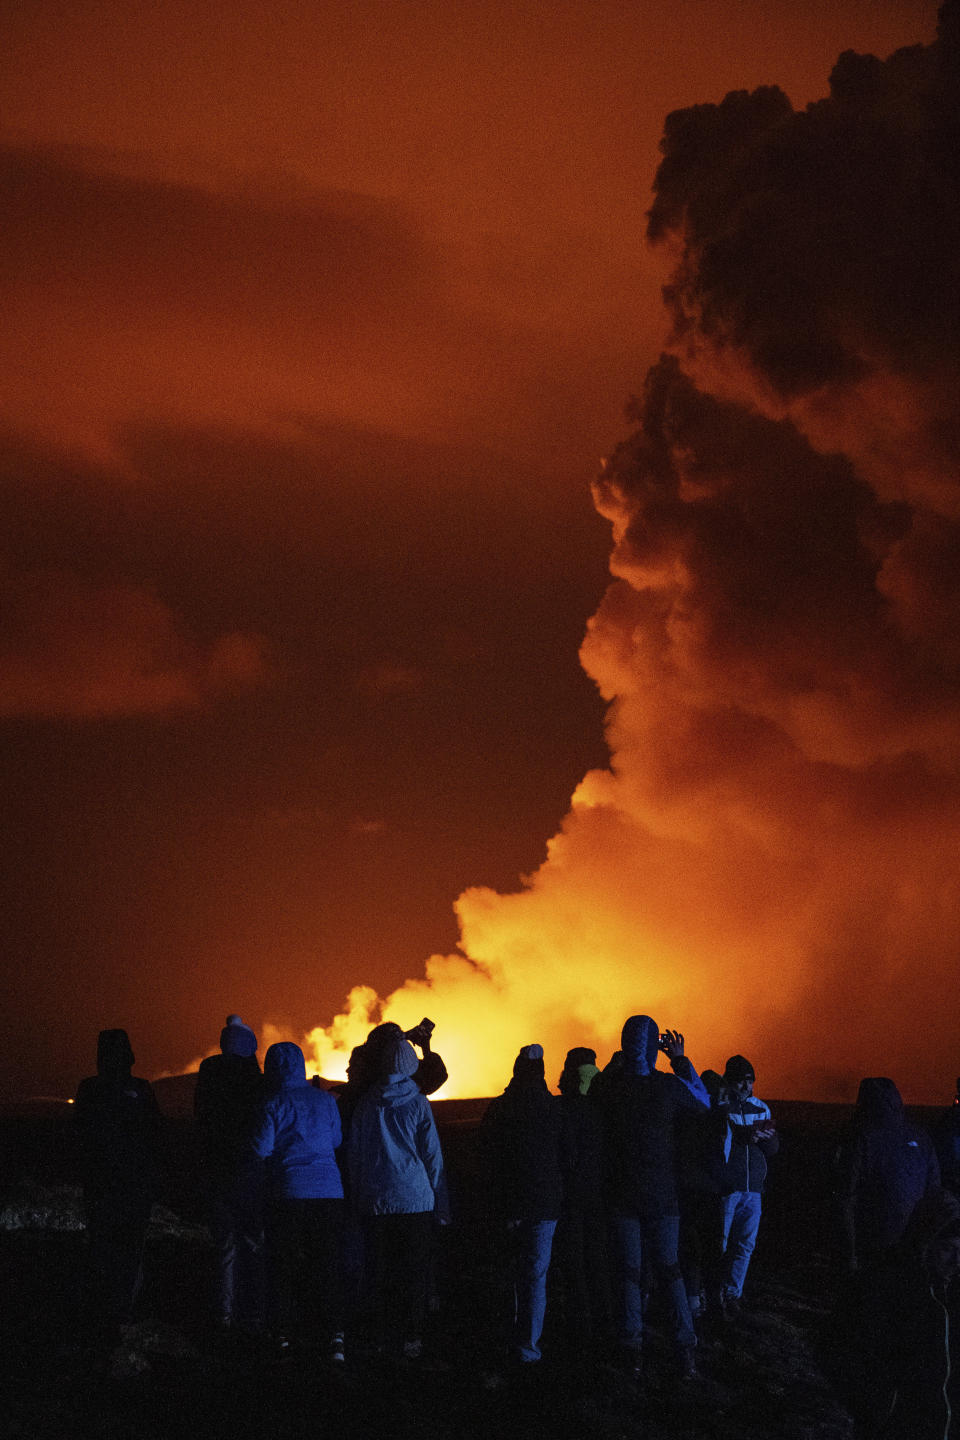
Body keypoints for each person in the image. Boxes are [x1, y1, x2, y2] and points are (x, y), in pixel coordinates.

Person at [598, 1016, 709, 1379]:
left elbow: (597, 1090)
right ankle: (685, 1350)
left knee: (629, 1273)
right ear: (652, 1048)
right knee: (670, 1270)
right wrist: (679, 1060)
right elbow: (704, 1102)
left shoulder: (609, 1087)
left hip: (622, 1196)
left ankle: (631, 1351)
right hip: (663, 1197)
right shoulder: (667, 1086)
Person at [823, 1186, 960, 1438]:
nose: (956, 1261)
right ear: (927, 1242)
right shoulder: (885, 1284)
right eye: (948, 1249)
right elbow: (836, 1349)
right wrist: (877, 1406)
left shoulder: (949, 1294)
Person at [347, 1032, 449, 1362]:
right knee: (414, 1272)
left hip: (376, 1201)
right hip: (416, 1202)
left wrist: (359, 1196)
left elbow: (356, 1155)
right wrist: (440, 1199)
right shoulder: (418, 1103)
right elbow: (432, 1155)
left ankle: (379, 1336)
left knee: (379, 1271)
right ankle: (411, 1336)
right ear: (410, 1065)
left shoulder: (366, 1104)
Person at [250, 1042, 345, 1361]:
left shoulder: (273, 1103)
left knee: (285, 1265)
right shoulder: (325, 1101)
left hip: (288, 1193)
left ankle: (284, 1335)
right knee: (327, 1264)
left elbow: (260, 1149)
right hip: (329, 1194)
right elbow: (336, 1141)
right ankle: (333, 1336)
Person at [74, 1028, 163, 1347]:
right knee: (130, 1247)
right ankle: (123, 1309)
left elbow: (79, 1136)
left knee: (102, 1244)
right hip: (133, 1183)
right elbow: (155, 1134)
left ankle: (101, 1311)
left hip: (101, 1183)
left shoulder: (89, 1089)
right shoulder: (140, 1089)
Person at [482, 1043, 563, 1365]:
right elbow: (567, 1156)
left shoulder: (500, 1108)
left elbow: (485, 1153)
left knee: (508, 1274)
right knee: (535, 1277)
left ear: (516, 1071)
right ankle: (528, 1347)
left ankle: (504, 1339)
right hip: (545, 1206)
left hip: (508, 1203)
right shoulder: (554, 1108)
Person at [194, 1015, 266, 1331]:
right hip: (250, 1173)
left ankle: (223, 1313)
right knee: (253, 1243)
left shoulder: (208, 1076)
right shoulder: (256, 1081)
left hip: (216, 1172)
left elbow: (202, 1120)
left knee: (224, 1246)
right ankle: (254, 1312)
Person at [837, 1076, 940, 1273]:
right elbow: (934, 1189)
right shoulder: (920, 1136)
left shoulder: (860, 1137)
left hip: (873, 1237)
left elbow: (845, 1195)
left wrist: (849, 1253)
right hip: (913, 1239)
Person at [555, 1046, 611, 1356]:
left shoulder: (565, 1107)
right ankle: (604, 1319)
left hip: (573, 1192)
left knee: (574, 1259)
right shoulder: (604, 1097)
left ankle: (580, 1323)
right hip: (600, 1191)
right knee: (598, 1257)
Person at [716, 1054, 778, 1314]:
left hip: (753, 1189)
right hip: (729, 1188)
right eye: (741, 1081)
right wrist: (745, 1136)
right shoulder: (720, 1105)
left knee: (745, 1244)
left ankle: (733, 1293)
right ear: (730, 1081)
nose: (747, 1086)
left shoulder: (761, 1108)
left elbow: (771, 1146)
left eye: (750, 1081)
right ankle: (715, 1292)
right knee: (720, 1243)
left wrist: (767, 1140)